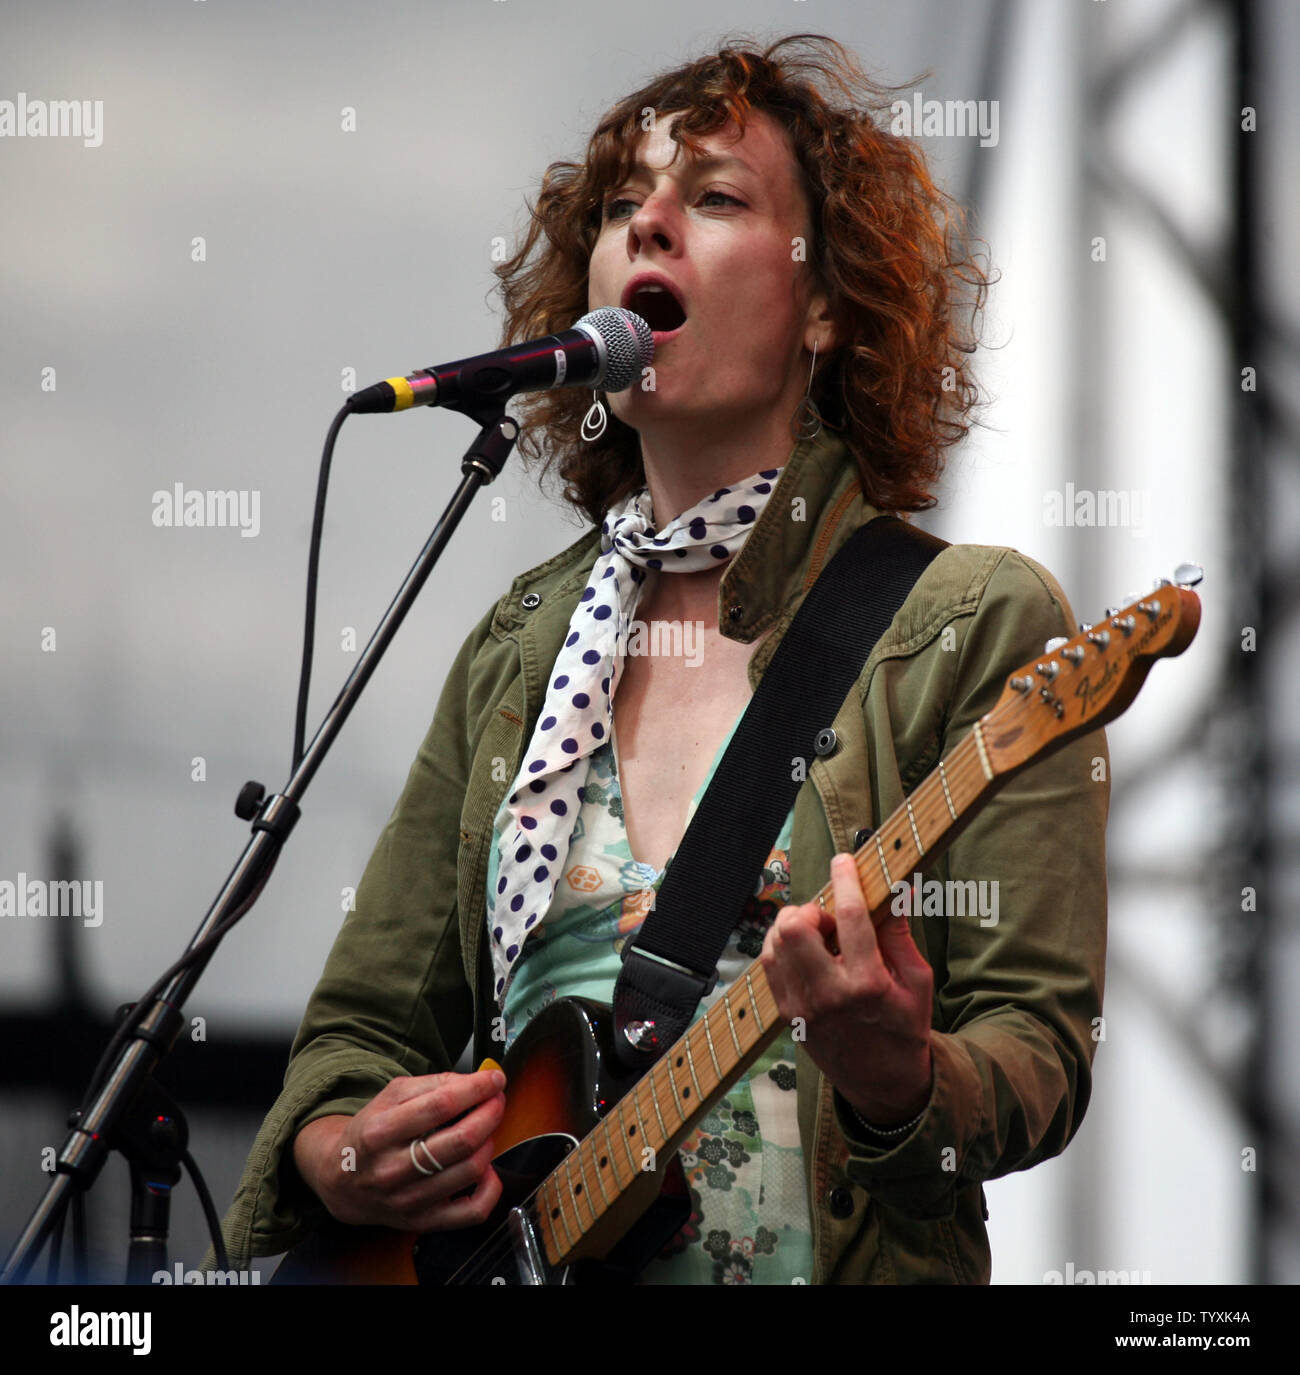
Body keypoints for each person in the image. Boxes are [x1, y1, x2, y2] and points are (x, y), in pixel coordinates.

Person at [210, 32, 1108, 1285]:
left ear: (825, 304)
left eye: (716, 197)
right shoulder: (526, 645)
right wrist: (340, 1151)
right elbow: (360, 1035)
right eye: (623, 205)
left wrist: (900, 1075)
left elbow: (1040, 1051)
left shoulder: (966, 620)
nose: (649, 226)